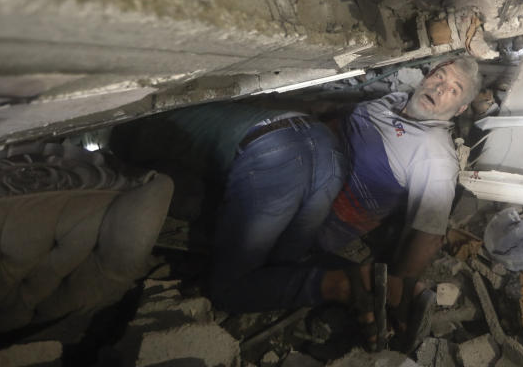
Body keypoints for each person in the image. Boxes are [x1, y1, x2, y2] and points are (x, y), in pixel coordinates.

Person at [110, 55, 481, 349]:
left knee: (226, 280)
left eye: (454, 89)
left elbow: (429, 233)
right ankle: (341, 281)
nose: (439, 87)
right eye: (439, 76)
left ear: (460, 108)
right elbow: (331, 113)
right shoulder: (394, 102)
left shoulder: (435, 155)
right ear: (428, 73)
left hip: (298, 184)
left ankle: (346, 285)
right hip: (315, 166)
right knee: (195, 208)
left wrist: (398, 288)